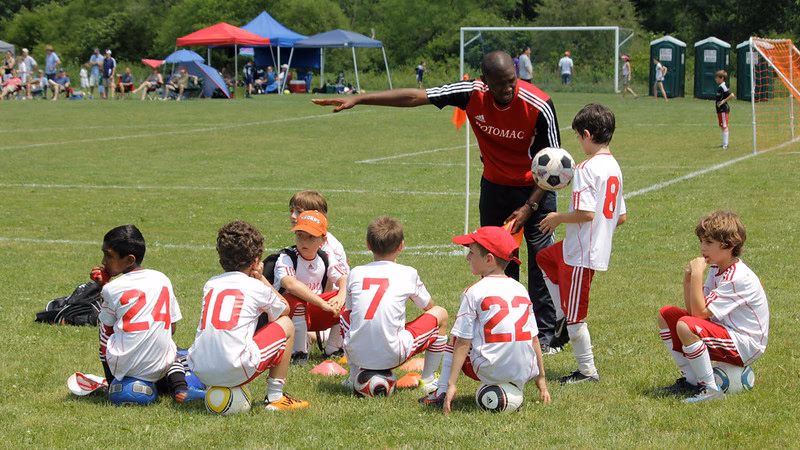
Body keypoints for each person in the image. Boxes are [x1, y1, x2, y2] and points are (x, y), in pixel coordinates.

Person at [312, 50, 565, 355]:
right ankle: (502, 330)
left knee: (540, 260)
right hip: (495, 187)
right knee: (496, 261)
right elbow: (415, 96)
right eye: (500, 84)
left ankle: (546, 335)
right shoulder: (471, 93)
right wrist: (360, 98)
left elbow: (555, 167)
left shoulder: (538, 104)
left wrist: (529, 207)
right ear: (485, 82)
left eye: (512, 80)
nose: (509, 88)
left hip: (535, 189)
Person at [536, 103, 627, 385]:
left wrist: (557, 218)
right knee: (544, 258)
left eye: (578, 137)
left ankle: (587, 371)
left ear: (587, 134)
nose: (579, 142)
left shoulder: (586, 168)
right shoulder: (614, 167)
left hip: (582, 254)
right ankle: (561, 315)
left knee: (577, 318)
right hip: (579, 247)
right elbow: (621, 217)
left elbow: (586, 214)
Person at [419, 226, 550, 413]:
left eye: (471, 253)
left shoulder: (474, 292)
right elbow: (534, 339)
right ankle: (512, 384)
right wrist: (541, 379)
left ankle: (441, 391)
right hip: (524, 370)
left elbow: (463, 343)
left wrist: (452, 384)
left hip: (489, 369)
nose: (467, 258)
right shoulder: (521, 289)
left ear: (489, 259)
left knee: (458, 335)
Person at [187, 221, 309, 410]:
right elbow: (285, 309)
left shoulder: (210, 284)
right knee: (287, 324)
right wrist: (261, 278)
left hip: (200, 368)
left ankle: (216, 383)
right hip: (236, 367)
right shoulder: (255, 286)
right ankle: (275, 397)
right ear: (255, 261)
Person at [657, 211, 769, 403]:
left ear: (729, 245)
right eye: (701, 241)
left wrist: (697, 275)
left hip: (746, 345)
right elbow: (694, 312)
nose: (702, 248)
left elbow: (699, 314)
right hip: (727, 332)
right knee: (666, 315)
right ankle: (692, 380)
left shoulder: (738, 277)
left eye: (709, 242)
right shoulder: (717, 269)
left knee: (686, 325)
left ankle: (710, 389)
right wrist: (688, 280)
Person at [342, 216, 449, 393]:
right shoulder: (408, 273)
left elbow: (351, 311)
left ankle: (354, 375)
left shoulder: (356, 272)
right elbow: (428, 306)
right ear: (401, 245)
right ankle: (429, 380)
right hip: (393, 354)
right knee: (441, 313)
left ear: (368, 245)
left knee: (345, 313)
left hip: (356, 353)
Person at [94, 225, 198, 403]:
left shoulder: (111, 288)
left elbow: (107, 330)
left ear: (129, 260)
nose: (103, 261)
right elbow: (172, 328)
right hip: (159, 368)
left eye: (108, 256)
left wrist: (102, 287)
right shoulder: (162, 279)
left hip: (123, 369)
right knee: (170, 346)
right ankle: (180, 389)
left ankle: (113, 385)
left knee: (104, 330)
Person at [272, 210, 348, 365]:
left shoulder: (325, 256)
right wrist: (321, 303)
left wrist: (340, 297)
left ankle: (334, 348)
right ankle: (299, 353)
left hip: (314, 310)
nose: (304, 241)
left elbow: (345, 278)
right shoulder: (286, 257)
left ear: (323, 239)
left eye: (311, 237)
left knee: (345, 300)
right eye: (300, 235)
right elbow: (290, 284)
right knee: (296, 301)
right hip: (287, 315)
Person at [287, 190, 350, 352]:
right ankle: (303, 341)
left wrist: (330, 302)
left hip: (323, 304)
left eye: (299, 212)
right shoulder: (288, 253)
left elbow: (336, 282)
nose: (293, 216)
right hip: (310, 302)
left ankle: (330, 344)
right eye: (291, 211)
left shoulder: (328, 249)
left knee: (347, 298)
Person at [715, 70, 735, 149]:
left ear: (722, 78)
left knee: (724, 126)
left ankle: (725, 145)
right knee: (722, 126)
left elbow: (731, 95)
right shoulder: (720, 87)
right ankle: (724, 144)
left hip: (723, 109)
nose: (716, 79)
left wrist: (723, 101)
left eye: (717, 78)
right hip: (719, 110)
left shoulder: (723, 86)